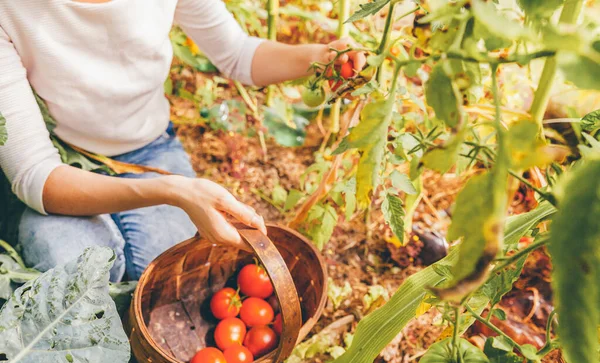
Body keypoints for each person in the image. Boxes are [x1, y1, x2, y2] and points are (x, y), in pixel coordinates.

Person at [0, 0, 366, 282]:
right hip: (63, 162)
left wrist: (318, 58)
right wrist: (174, 192)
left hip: (149, 147)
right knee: (74, 273)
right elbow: (36, 174)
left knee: (168, 276)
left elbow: (239, 54)